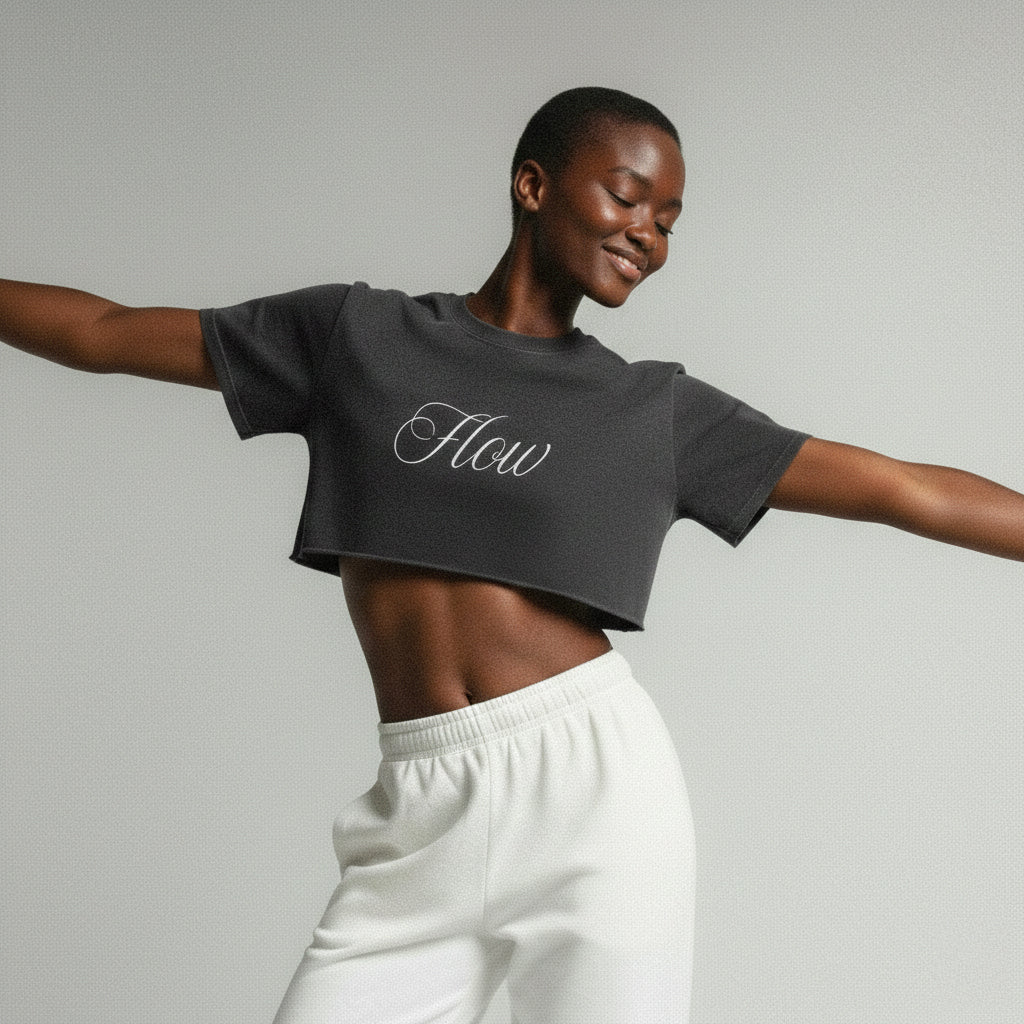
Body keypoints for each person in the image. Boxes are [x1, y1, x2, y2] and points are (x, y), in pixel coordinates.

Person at [2, 86, 1022, 1024]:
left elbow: (899, 485)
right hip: (415, 820)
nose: (648, 236)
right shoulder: (356, 336)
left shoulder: (649, 410)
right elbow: (102, 330)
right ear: (533, 185)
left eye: (668, 221)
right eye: (629, 198)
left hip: (593, 804)